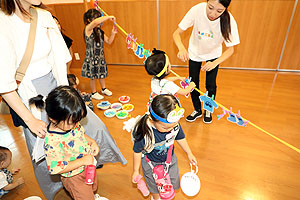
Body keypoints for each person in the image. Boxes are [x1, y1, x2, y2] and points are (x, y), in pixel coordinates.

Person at [0, 1, 126, 199]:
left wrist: (69, 92)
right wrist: (30, 120)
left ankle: (86, 172)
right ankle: (63, 189)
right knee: (44, 149)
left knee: (89, 127)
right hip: (29, 95)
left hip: (57, 86)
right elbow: (5, 84)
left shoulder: (43, 16)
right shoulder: (3, 22)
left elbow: (61, 59)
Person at [29, 86, 107, 200]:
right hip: (73, 177)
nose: (75, 124)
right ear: (53, 119)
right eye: (72, 122)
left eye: (77, 121)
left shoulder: (70, 123)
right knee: (83, 195)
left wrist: (91, 142)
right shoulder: (52, 142)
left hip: (87, 166)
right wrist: (83, 161)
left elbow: (79, 134)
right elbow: (56, 168)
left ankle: (91, 195)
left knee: (92, 187)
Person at [173, 0, 240, 123]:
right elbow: (176, 33)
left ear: (225, 9)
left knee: (211, 84)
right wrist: (181, 48)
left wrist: (214, 63)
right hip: (195, 52)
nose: (213, 13)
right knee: (193, 82)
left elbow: (231, 50)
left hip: (213, 54)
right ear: (207, 2)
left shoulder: (229, 20)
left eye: (219, 11)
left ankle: (208, 109)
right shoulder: (197, 10)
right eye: (210, 7)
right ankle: (197, 109)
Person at [131, 94, 197, 200]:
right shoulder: (144, 133)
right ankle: (156, 197)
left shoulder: (173, 125)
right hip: (150, 163)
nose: (170, 129)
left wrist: (189, 152)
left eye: (173, 126)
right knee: (154, 187)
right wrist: (135, 170)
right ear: (152, 120)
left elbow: (180, 137)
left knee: (174, 182)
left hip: (169, 160)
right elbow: (137, 152)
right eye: (165, 127)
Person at [81, 9, 117, 100]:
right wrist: (108, 17)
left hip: (100, 57)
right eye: (96, 18)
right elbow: (95, 22)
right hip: (91, 58)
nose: (98, 20)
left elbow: (109, 42)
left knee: (101, 74)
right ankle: (93, 93)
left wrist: (113, 34)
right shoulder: (88, 29)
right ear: (89, 20)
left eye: (99, 18)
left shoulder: (99, 31)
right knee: (93, 77)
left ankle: (103, 88)